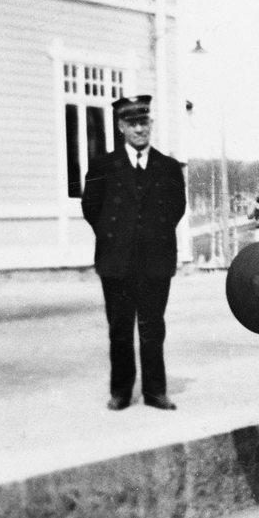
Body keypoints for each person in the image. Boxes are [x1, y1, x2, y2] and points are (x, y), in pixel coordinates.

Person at [81, 95, 186, 411]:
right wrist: (115, 238)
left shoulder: (168, 167)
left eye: (144, 122)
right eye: (132, 123)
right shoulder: (103, 165)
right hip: (117, 261)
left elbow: (176, 209)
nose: (140, 129)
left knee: (153, 328)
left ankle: (155, 392)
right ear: (122, 127)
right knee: (120, 330)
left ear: (150, 124)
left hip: (155, 261)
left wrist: (152, 235)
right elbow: (91, 208)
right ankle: (121, 392)